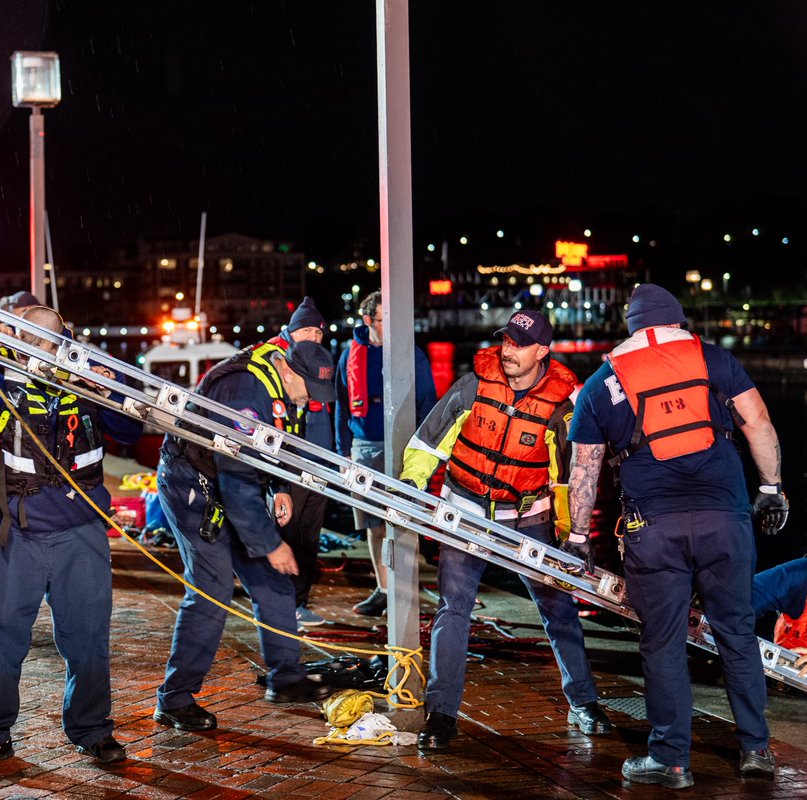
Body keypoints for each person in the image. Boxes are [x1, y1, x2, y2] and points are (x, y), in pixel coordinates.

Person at [567, 283, 782, 788]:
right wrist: (771, 488)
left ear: (633, 325)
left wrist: (580, 535)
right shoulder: (713, 360)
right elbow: (759, 424)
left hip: (653, 529)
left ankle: (671, 759)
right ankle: (756, 749)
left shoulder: (603, 382)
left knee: (662, 642)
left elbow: (585, 470)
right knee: (736, 632)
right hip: (725, 521)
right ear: (678, 320)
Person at [400, 309, 611, 750]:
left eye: (520, 343)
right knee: (452, 610)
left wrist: (574, 535)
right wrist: (411, 484)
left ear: (543, 351)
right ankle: (440, 715)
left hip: (528, 519)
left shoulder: (561, 403)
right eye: (506, 340)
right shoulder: (474, 383)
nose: (509, 350)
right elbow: (427, 441)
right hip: (466, 510)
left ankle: (585, 702)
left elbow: (568, 476)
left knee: (559, 609)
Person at [0, 305, 142, 770]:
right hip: (17, 534)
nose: (30, 349)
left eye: (40, 340)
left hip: (82, 535)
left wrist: (104, 390)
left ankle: (92, 729)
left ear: (61, 341)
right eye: (22, 339)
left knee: (88, 638)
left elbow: (132, 429)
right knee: (2, 638)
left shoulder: (87, 377)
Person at [152, 338, 337, 732]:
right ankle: (175, 698)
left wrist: (277, 487)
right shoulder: (244, 392)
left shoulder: (277, 386)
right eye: (309, 392)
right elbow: (236, 479)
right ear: (289, 371)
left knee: (274, 581)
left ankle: (286, 678)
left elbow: (264, 450)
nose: (310, 401)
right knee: (211, 589)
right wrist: (270, 545)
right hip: (191, 487)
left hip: (228, 485)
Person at [335, 289, 436, 616]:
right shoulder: (348, 355)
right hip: (364, 448)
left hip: (404, 447)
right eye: (383, 319)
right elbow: (340, 405)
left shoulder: (411, 353)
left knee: (406, 521)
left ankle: (409, 591)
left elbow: (428, 403)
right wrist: (343, 451)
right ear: (368, 321)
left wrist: (426, 453)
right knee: (373, 523)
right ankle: (383, 589)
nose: (391, 325)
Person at [255, 297, 332, 627]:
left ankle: (298, 602)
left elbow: (329, 410)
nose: (315, 338)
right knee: (285, 533)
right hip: (287, 463)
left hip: (318, 463)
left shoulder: (317, 362)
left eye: (319, 333)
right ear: (292, 331)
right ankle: (278, 605)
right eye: (309, 331)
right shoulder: (273, 359)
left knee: (309, 536)